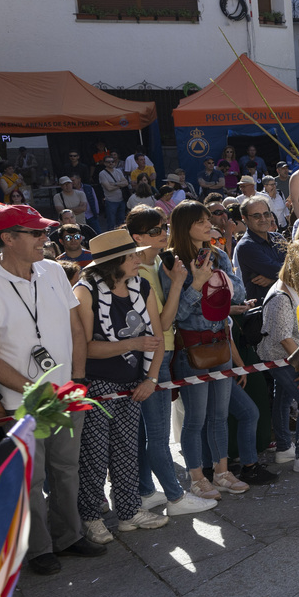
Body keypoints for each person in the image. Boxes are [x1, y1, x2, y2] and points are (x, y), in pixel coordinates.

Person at [0, 204, 94, 575]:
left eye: (43, 232)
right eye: (35, 233)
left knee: (67, 468)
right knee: (29, 480)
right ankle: (38, 549)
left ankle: (70, 535)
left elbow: (75, 329)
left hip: (66, 392)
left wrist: (77, 380)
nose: (44, 238)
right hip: (21, 402)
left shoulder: (53, 270)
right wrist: (35, 390)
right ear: (8, 239)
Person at [73, 230, 169, 543]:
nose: (138, 259)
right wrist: (134, 343)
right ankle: (90, 517)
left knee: (128, 451)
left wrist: (151, 379)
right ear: (113, 262)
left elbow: (157, 338)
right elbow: (85, 348)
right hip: (97, 385)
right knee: (95, 455)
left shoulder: (142, 285)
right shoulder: (85, 291)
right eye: (131, 255)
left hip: (135, 382)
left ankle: (128, 513)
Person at [125, 207, 217, 516]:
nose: (163, 233)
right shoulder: (139, 272)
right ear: (136, 237)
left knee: (143, 433)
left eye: (163, 227)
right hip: (152, 358)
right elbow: (166, 322)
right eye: (154, 231)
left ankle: (146, 491)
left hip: (154, 355)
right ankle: (176, 497)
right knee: (158, 433)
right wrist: (183, 282)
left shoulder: (155, 264)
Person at [161, 200, 249, 500]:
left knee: (219, 415)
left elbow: (240, 291)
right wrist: (196, 283)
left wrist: (217, 276)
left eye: (207, 219)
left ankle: (222, 470)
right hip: (191, 346)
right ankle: (196, 476)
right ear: (186, 226)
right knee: (195, 417)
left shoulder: (219, 254)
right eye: (201, 221)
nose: (208, 224)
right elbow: (178, 315)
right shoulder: (173, 262)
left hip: (220, 341)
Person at [257, 248, 299, 476]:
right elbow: (284, 338)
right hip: (281, 358)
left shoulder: (290, 291)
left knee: (283, 400)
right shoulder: (280, 298)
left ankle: (285, 447)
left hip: (286, 355)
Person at [233, 195, 287, 303]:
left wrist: (273, 279)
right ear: (245, 218)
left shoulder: (278, 238)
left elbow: (295, 266)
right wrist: (281, 275)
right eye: (256, 216)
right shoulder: (246, 246)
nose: (263, 219)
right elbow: (287, 270)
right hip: (263, 308)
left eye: (266, 214)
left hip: (288, 302)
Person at [99, 155, 129, 229]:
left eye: (112, 161)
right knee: (111, 223)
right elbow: (108, 188)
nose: (111, 163)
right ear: (104, 163)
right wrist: (120, 184)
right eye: (108, 162)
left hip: (122, 200)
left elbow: (126, 183)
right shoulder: (102, 174)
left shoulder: (118, 171)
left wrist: (115, 184)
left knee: (121, 222)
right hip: (110, 201)